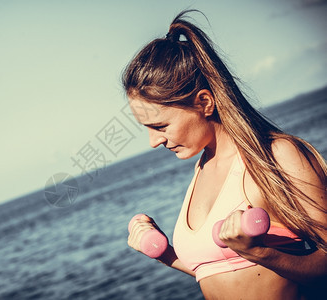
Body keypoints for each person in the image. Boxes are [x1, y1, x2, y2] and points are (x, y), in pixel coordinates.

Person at [125, 10, 326, 299]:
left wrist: (261, 253)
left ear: (204, 102)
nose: (153, 141)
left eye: (160, 126)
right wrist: (165, 254)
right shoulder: (202, 168)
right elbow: (221, 270)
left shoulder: (276, 156)